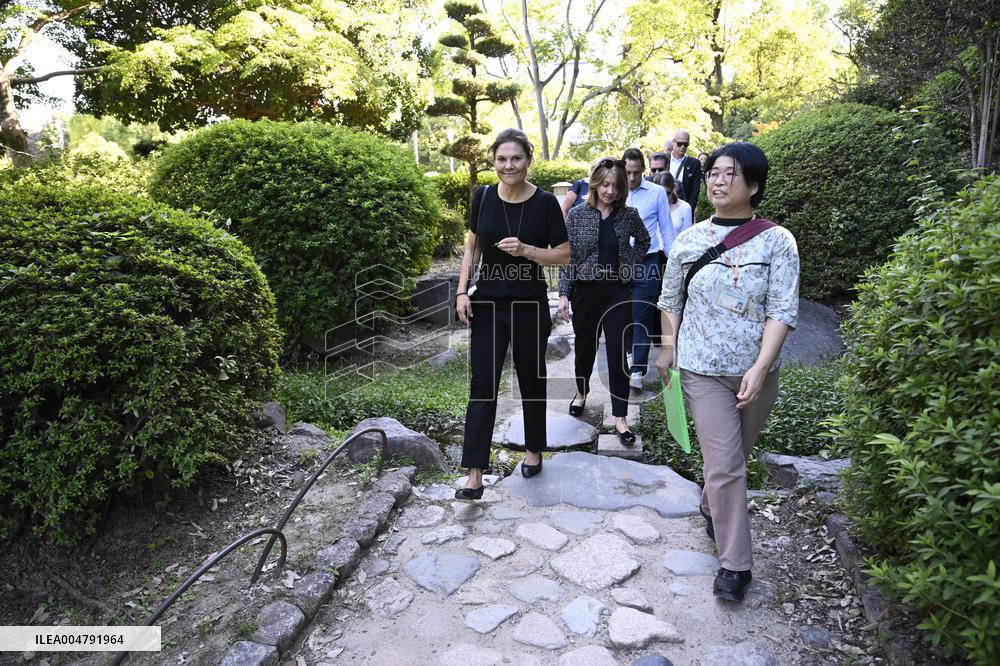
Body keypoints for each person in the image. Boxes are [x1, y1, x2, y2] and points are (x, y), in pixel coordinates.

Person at [655, 142, 799, 602]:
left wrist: (761, 367)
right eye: (713, 173)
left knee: (733, 460)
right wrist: (669, 348)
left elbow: (781, 310)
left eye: (730, 174)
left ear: (753, 185)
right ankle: (736, 565)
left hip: (756, 373)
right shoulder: (689, 240)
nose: (718, 181)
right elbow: (670, 301)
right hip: (702, 370)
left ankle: (709, 502)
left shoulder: (778, 241)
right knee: (726, 464)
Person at [455, 129, 571, 500]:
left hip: (528, 305)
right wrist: (462, 290)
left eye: (516, 158)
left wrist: (526, 251)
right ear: (493, 161)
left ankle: (534, 449)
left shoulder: (545, 204)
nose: (509, 166)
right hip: (487, 304)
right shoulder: (483, 196)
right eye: (502, 159)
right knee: (482, 384)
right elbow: (472, 246)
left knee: (531, 379)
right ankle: (475, 473)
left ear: (528, 160)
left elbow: (564, 254)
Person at [557, 158, 650, 444]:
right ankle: (581, 391)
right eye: (606, 185)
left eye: (616, 186)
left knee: (618, 353)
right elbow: (568, 257)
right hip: (585, 292)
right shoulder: (577, 215)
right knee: (585, 348)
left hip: (617, 292)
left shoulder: (629, 215)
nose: (610, 191)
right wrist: (564, 293)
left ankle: (620, 417)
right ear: (595, 184)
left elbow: (644, 241)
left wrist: (628, 264)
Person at [621, 147, 673, 391]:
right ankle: (629, 354)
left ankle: (637, 370)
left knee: (641, 314)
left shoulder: (657, 193)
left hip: (647, 260)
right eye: (627, 172)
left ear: (644, 170)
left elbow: (666, 229)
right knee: (622, 314)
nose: (632, 178)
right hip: (619, 263)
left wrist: (673, 263)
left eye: (636, 172)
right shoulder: (613, 191)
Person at [651, 171, 693, 239]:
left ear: (674, 188)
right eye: (659, 194)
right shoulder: (650, 206)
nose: (663, 198)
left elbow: (687, 238)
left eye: (667, 193)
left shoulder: (685, 208)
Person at [667, 129, 703, 209]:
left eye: (686, 144)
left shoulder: (694, 163)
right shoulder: (664, 159)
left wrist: (689, 210)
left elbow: (695, 191)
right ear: (673, 142)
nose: (682, 147)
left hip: (683, 207)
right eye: (680, 144)